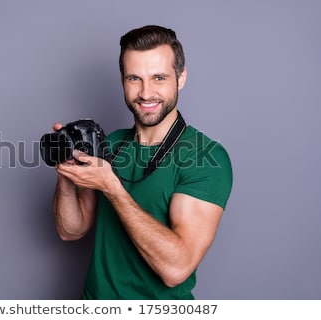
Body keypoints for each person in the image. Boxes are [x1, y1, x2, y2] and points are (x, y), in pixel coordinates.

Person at [51, 25, 233, 299]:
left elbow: (176, 268)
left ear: (180, 78)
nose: (146, 93)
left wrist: (113, 187)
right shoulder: (109, 144)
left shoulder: (206, 157)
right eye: (134, 79)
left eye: (159, 78)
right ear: (122, 80)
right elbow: (71, 231)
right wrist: (66, 175)